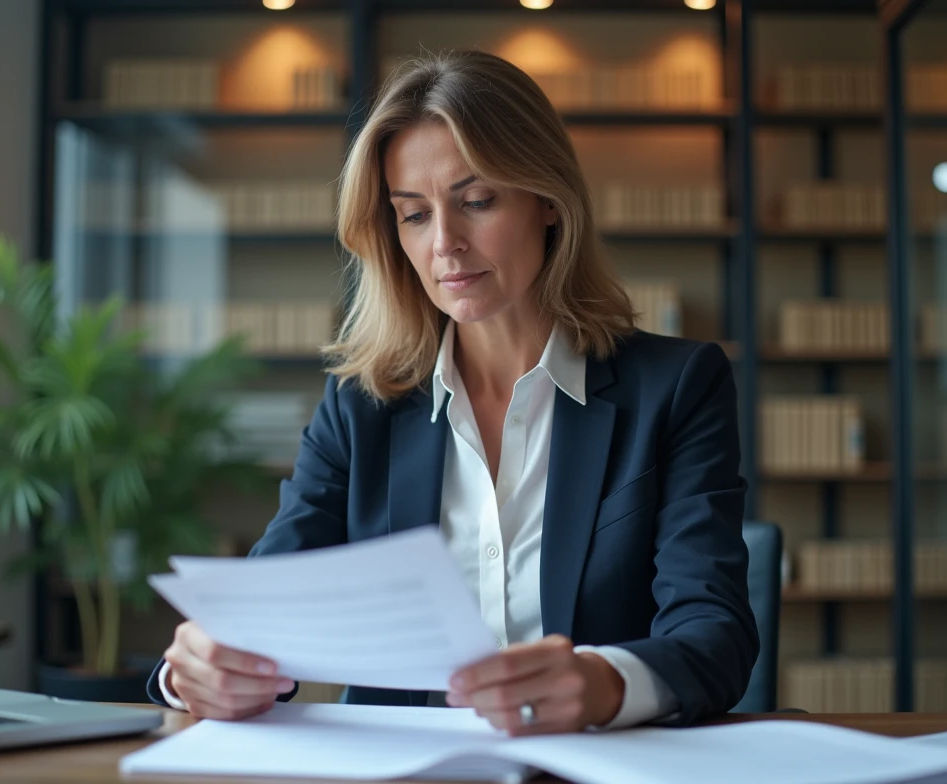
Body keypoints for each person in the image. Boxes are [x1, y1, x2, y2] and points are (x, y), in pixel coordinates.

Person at [147, 50, 757, 733]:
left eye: (476, 201)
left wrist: (605, 682)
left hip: (595, 764)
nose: (445, 244)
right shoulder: (360, 406)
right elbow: (255, 617)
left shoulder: (678, 387)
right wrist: (195, 671)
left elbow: (715, 632)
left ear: (548, 202)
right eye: (413, 215)